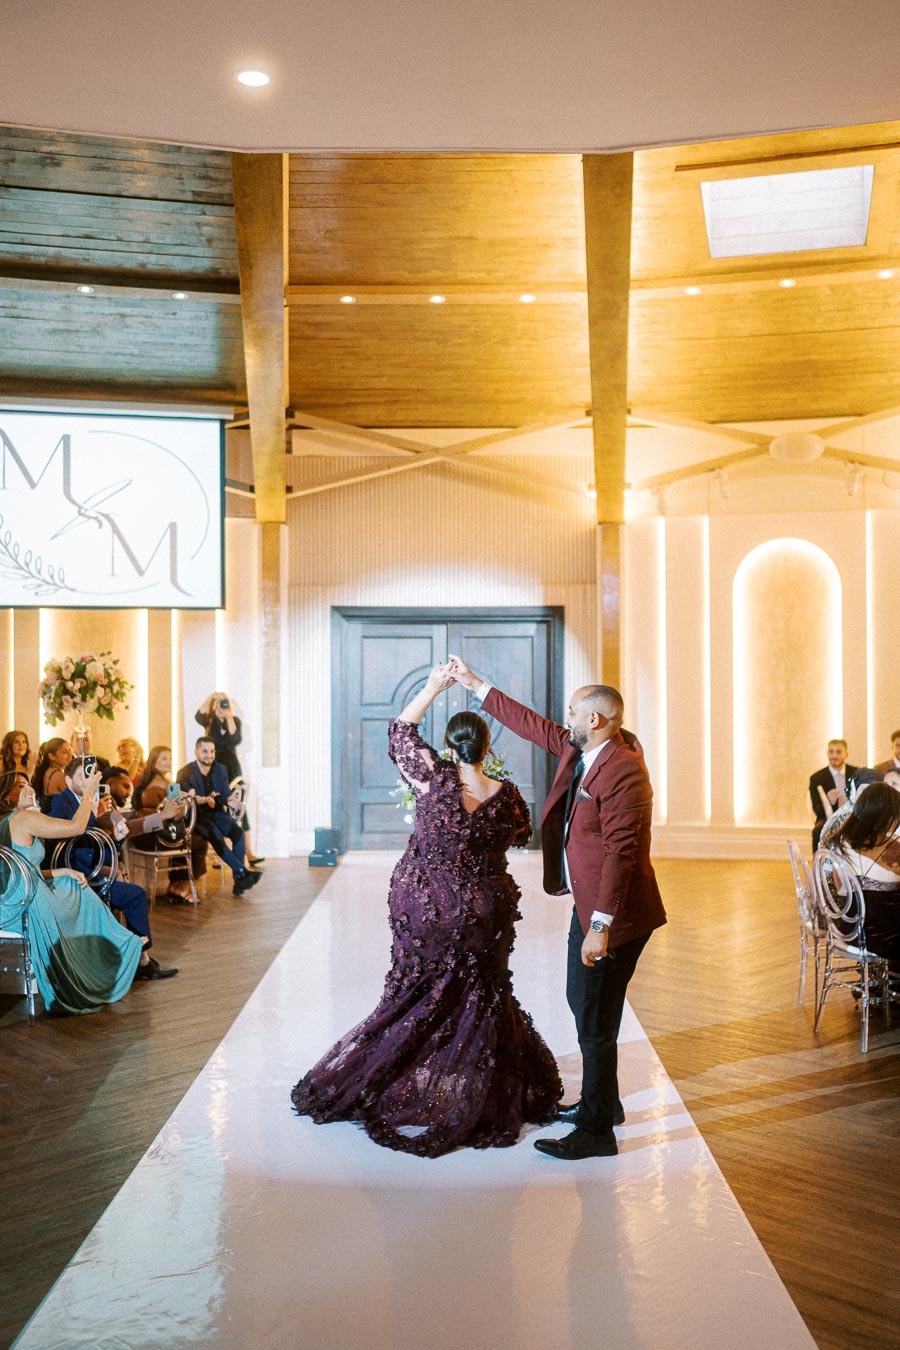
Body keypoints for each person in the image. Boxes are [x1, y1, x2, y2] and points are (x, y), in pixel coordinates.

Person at [291, 664, 562, 1157]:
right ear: (486, 746)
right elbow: (521, 836)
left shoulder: (432, 781)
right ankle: (476, 1081)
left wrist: (434, 686)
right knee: (482, 989)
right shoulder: (509, 799)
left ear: (450, 746)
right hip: (484, 908)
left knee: (419, 989)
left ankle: (408, 1071)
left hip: (428, 904)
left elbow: (399, 731)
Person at [448, 655, 666, 1161]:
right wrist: (475, 683)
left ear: (595, 719)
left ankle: (595, 1131)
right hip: (591, 907)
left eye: (572, 712)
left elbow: (621, 852)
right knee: (586, 1005)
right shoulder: (583, 748)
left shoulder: (624, 771)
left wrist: (601, 925)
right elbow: (532, 725)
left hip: (615, 916)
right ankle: (604, 1103)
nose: (564, 720)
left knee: (593, 1016)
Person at [0, 769, 142, 1014]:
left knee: (71, 883)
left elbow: (22, 870)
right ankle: (113, 949)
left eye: (29, 783)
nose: (30, 788)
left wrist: (62, 871)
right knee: (81, 892)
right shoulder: (23, 819)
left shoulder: (8, 821)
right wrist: (88, 794)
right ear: (7, 798)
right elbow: (77, 827)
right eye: (21, 786)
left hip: (13, 898)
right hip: (25, 903)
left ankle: (114, 943)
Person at [47, 758, 178, 980]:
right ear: (68, 780)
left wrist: (116, 839)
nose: (88, 781)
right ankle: (137, 959)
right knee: (131, 893)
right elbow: (66, 837)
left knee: (133, 893)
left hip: (93, 870)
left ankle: (138, 957)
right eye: (82, 776)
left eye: (91, 776)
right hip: (73, 877)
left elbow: (122, 830)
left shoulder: (101, 803)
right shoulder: (62, 803)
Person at [97, 764, 196, 904]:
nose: (128, 793)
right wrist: (162, 816)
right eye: (125, 786)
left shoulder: (107, 803)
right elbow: (126, 828)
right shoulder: (102, 805)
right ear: (109, 783)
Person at [176, 738, 260, 896]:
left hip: (216, 813)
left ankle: (239, 878)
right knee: (215, 835)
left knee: (238, 833)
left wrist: (233, 801)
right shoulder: (185, 773)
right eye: (205, 751)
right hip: (196, 816)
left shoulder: (221, 769)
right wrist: (200, 799)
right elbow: (185, 799)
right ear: (196, 753)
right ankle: (242, 871)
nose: (210, 755)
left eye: (212, 751)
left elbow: (225, 794)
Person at [832, 782, 900, 961]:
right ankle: (889, 984)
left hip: (850, 927)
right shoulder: (891, 847)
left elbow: (841, 891)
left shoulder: (840, 840)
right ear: (885, 816)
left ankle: (878, 983)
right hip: (882, 934)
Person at [195, 692, 263, 866]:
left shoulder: (234, 721)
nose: (221, 706)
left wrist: (229, 716)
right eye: (219, 703)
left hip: (232, 767)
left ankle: (249, 853)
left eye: (224, 703)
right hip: (216, 767)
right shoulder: (209, 721)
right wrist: (211, 697)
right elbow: (198, 715)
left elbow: (235, 738)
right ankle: (220, 854)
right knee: (218, 808)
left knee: (240, 808)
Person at [809, 740, 859, 852]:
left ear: (846, 753)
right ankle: (820, 865)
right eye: (831, 752)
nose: (834, 756)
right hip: (828, 818)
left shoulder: (857, 773)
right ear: (827, 754)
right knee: (818, 831)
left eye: (838, 752)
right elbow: (817, 809)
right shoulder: (817, 778)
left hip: (853, 816)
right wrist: (829, 802)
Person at [32, 737, 73, 805]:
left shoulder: (47, 771)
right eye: (64, 752)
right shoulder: (59, 776)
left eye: (70, 751)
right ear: (51, 756)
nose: (70, 755)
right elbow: (73, 800)